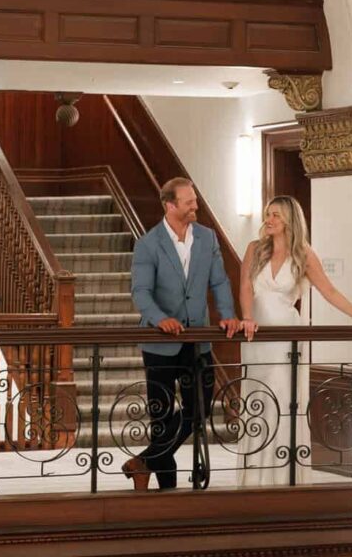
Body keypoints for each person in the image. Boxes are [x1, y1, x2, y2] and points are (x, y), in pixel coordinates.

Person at [236, 195, 352, 487]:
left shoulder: (304, 255)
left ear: (290, 220)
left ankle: (282, 477)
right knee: (257, 401)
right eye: (268, 214)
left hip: (288, 341)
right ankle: (254, 476)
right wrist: (246, 317)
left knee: (283, 402)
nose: (268, 220)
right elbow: (244, 286)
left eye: (276, 215)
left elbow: (330, 292)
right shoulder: (254, 250)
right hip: (256, 337)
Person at [124, 176, 250, 490]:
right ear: (170, 205)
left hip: (199, 341)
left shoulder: (207, 238)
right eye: (189, 202)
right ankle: (167, 487)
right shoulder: (148, 244)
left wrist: (228, 315)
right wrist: (159, 319)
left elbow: (219, 282)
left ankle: (145, 461)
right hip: (160, 344)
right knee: (162, 416)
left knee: (200, 409)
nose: (196, 206)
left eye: (195, 200)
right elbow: (140, 292)